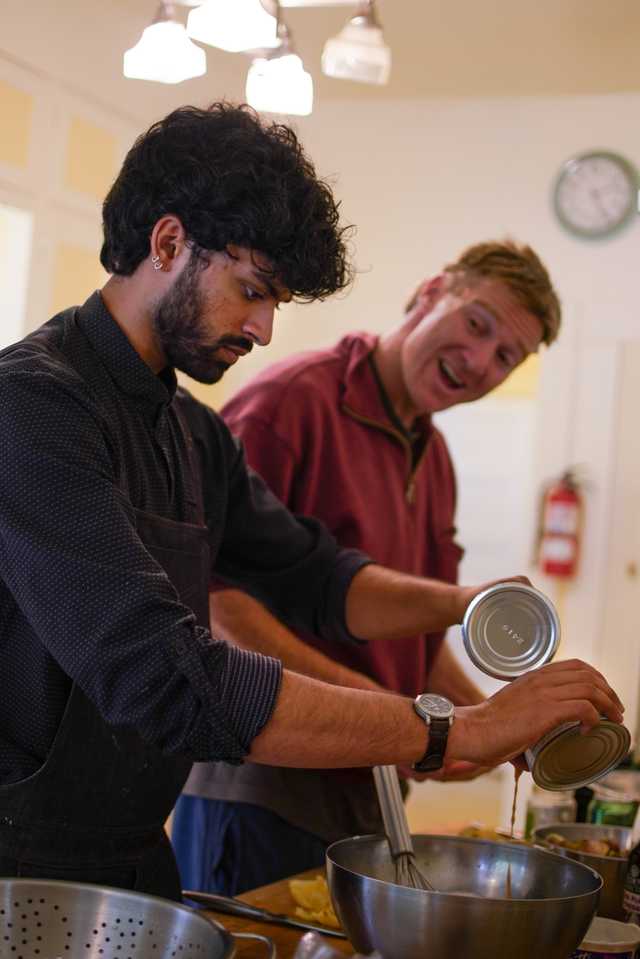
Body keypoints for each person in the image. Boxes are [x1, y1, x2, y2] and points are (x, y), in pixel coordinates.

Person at [0, 102, 623, 902]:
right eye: (252, 289)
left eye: (275, 302)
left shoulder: (193, 432)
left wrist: (472, 605)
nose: (262, 327)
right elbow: (168, 674)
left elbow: (319, 578)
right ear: (166, 243)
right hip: (21, 865)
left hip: (132, 859)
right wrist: (451, 727)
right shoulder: (32, 407)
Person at [171, 239, 566, 894]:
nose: (478, 361)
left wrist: (506, 729)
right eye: (477, 324)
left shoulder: (433, 458)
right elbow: (214, 599)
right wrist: (405, 722)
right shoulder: (292, 400)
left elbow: (412, 646)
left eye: (506, 357)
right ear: (434, 288)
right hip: (259, 782)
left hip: (370, 780)